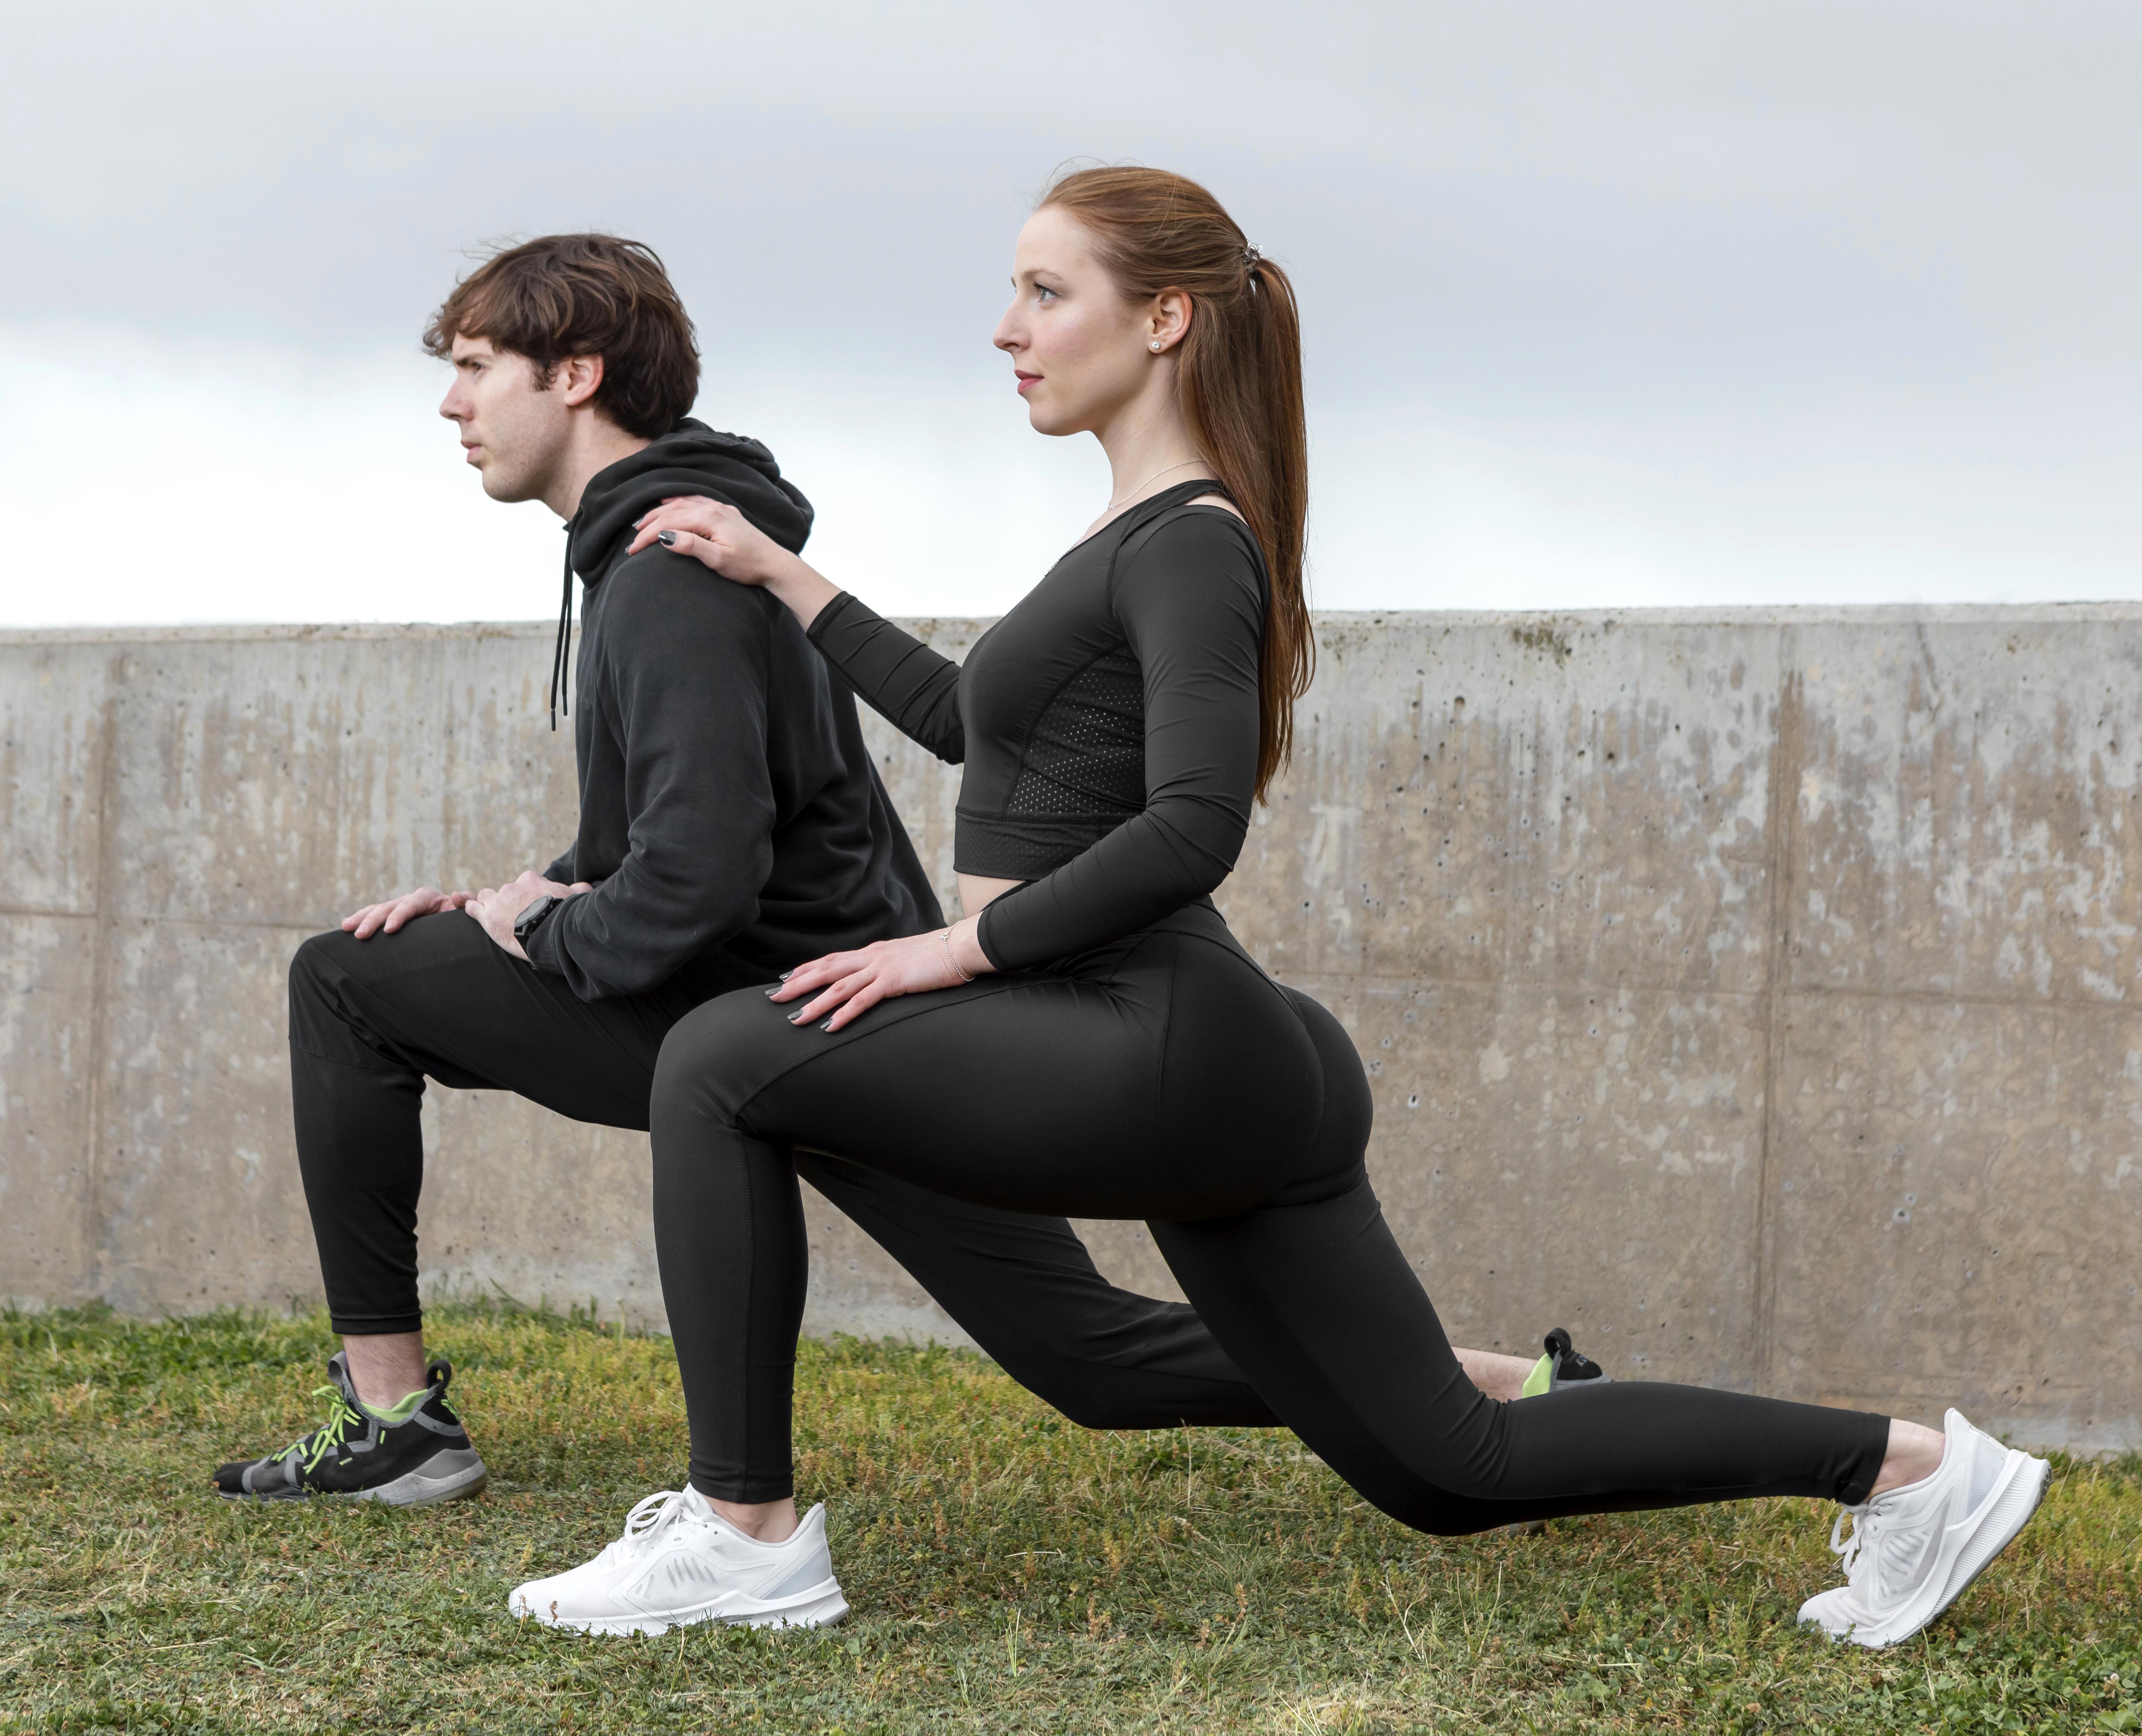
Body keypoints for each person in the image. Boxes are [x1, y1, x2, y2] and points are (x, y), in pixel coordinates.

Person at [509, 169, 2050, 1650]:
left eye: (1045, 293)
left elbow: (1194, 826)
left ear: (1165, 318)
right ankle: (1914, 1472)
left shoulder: (1194, 540)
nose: (1007, 329)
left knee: (724, 1054)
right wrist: (786, 577)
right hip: (1215, 1060)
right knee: (1449, 1468)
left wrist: (950, 950)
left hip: (1156, 1029)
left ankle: (744, 1536)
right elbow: (976, 723)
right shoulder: (1135, 530)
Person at [210, 229, 1553, 1512]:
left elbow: (698, 875)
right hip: (856, 994)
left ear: (575, 376)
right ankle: (1501, 1390)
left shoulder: (666, 575)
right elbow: (715, 821)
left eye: (474, 366)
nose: (452, 404)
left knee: (344, 984)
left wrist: (536, 934)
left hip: (769, 1008)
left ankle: (396, 1426)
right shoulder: (695, 547)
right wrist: (506, 905)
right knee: (1087, 1358)